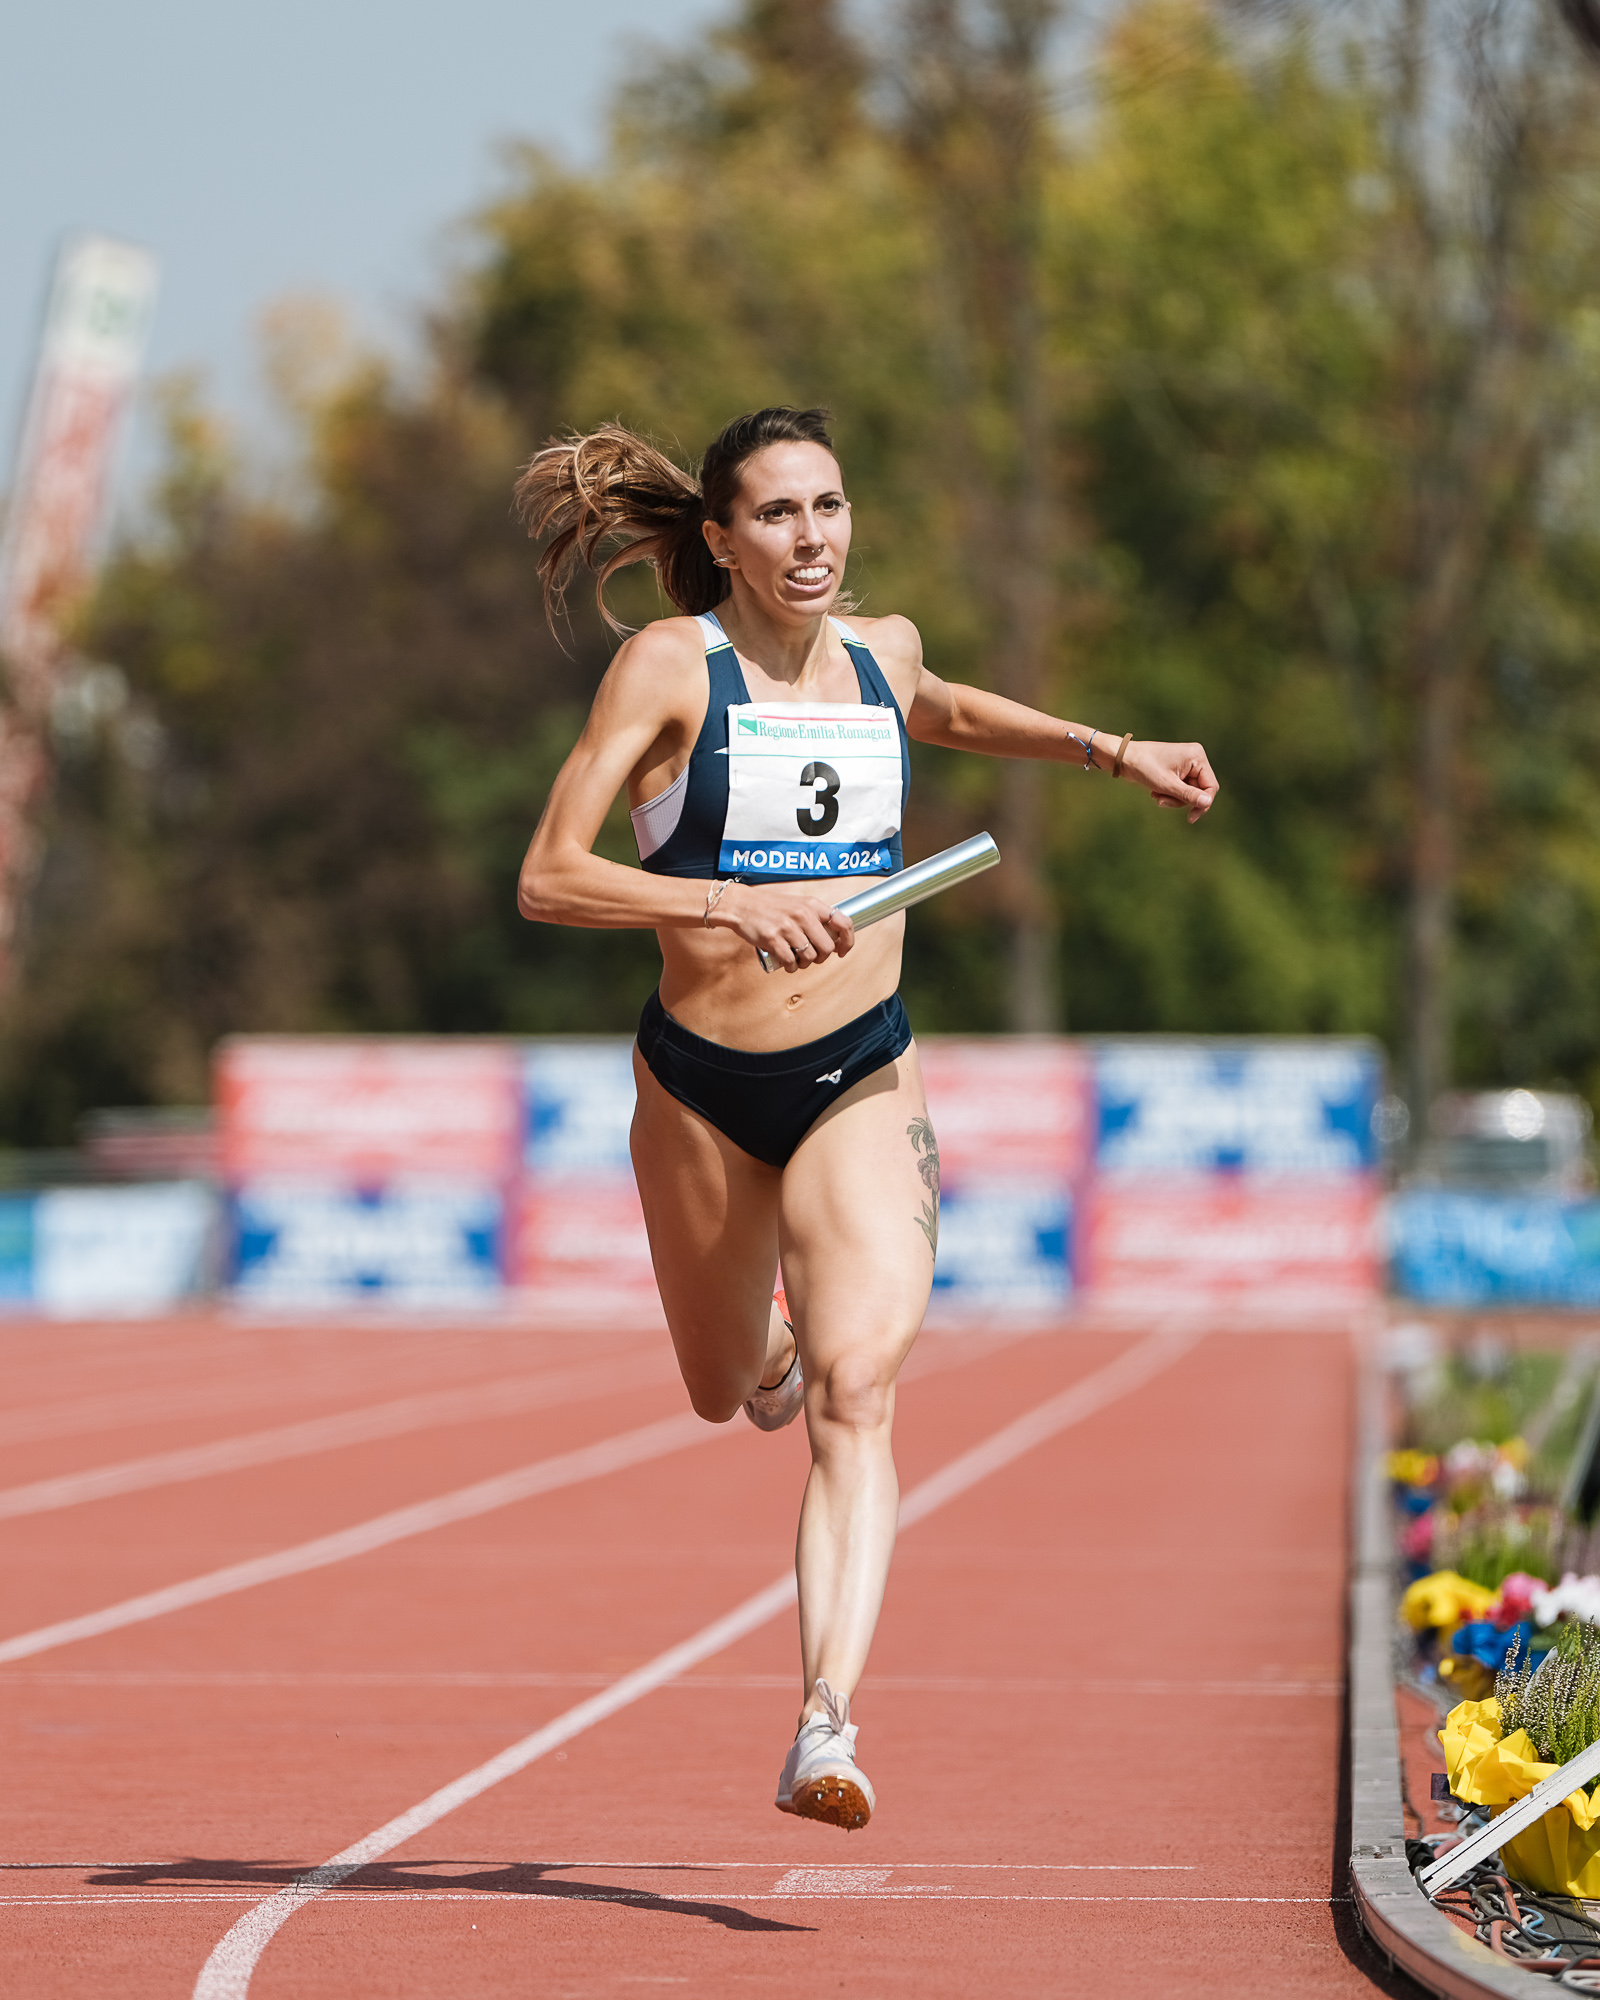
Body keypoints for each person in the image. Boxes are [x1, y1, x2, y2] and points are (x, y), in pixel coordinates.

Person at [514, 407, 1217, 1829]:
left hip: (860, 1073)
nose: (811, 538)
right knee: (728, 1383)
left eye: (828, 507)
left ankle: (825, 1724)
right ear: (722, 541)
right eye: (777, 514)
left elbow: (940, 707)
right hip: (702, 1090)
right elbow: (548, 876)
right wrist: (723, 901)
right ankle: (762, 1351)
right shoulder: (672, 668)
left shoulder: (881, 651)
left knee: (861, 1393)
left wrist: (1111, 747)